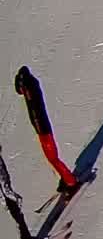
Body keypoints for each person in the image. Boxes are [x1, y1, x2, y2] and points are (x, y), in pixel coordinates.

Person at [14, 67, 81, 196]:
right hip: (42, 127)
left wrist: (39, 129)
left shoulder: (30, 89)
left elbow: (34, 111)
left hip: (43, 129)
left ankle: (71, 182)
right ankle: (65, 176)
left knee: (52, 157)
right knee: (52, 157)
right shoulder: (31, 84)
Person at [0, 139, 39, 239]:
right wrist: (14, 196)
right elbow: (3, 184)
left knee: (19, 219)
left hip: (6, 197)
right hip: (7, 198)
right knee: (18, 220)